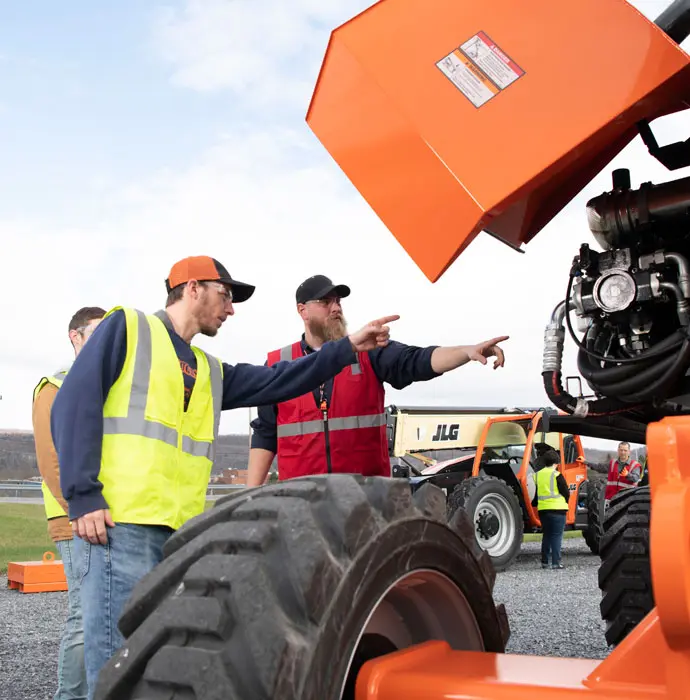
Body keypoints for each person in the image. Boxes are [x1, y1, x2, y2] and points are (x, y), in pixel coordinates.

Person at [49, 256, 399, 699]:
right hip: (120, 530)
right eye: (226, 294)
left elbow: (282, 378)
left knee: (156, 666)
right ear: (193, 288)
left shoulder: (208, 370)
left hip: (179, 538)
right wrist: (82, 496)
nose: (231, 309)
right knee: (115, 668)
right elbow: (72, 404)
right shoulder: (128, 330)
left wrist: (347, 347)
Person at [247, 274, 508, 486]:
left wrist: (466, 351)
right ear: (303, 310)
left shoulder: (368, 352)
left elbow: (418, 360)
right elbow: (266, 433)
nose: (336, 308)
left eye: (338, 301)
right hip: (302, 506)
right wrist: (250, 498)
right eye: (326, 302)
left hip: (365, 503)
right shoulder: (277, 364)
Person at [32, 306, 106, 700]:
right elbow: (51, 460)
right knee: (83, 617)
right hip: (74, 516)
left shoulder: (105, 386)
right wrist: (81, 509)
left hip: (103, 516)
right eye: (95, 333)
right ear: (74, 337)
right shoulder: (55, 386)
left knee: (104, 617)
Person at [532, 448, 570, 570]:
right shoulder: (557, 475)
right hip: (558, 509)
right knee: (557, 536)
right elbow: (566, 492)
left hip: (543, 510)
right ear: (556, 463)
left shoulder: (537, 475)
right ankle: (556, 562)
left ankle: (544, 562)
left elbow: (537, 493)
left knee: (547, 535)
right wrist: (565, 502)